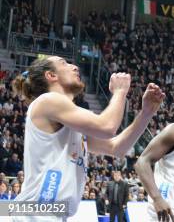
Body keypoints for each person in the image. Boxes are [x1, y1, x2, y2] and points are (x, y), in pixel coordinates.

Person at [10, 56, 165, 221]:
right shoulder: (48, 101)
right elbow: (107, 127)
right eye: (64, 63)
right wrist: (120, 92)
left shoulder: (68, 119)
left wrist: (146, 113)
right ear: (51, 75)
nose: (75, 66)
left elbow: (116, 148)